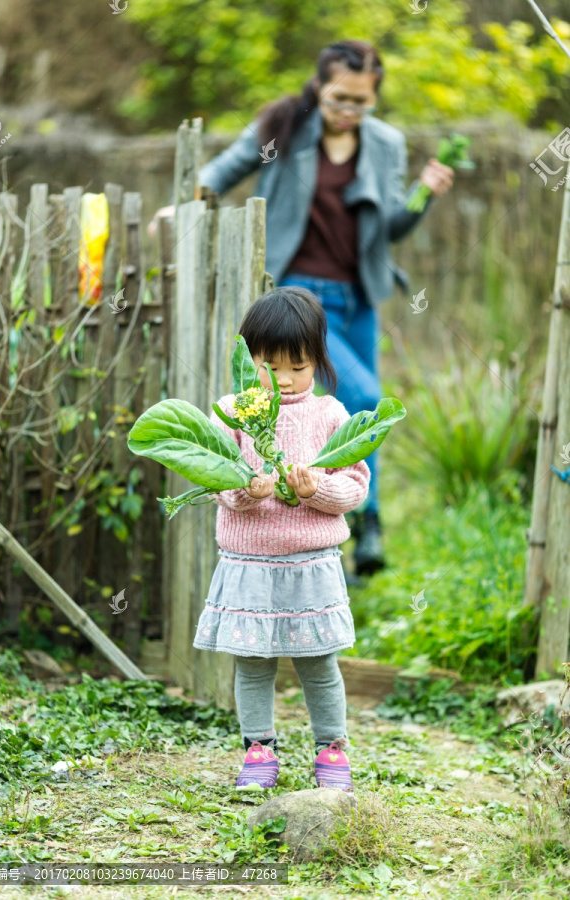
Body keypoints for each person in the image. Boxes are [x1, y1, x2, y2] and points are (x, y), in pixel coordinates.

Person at [150, 40, 454, 579]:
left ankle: (362, 523)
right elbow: (226, 169)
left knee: (360, 419)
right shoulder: (285, 126)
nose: (349, 111)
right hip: (303, 299)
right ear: (319, 86)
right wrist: (186, 202)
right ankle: (357, 516)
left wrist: (422, 195)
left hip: (357, 297)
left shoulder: (385, 143)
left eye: (362, 102)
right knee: (362, 397)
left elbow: (390, 228)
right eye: (340, 98)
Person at [192, 287, 370, 791]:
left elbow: (355, 484)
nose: (285, 380)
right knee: (253, 665)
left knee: (319, 664)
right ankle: (258, 751)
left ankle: (331, 752)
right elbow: (214, 480)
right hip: (249, 563)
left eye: (299, 366)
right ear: (249, 359)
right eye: (270, 365)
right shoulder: (231, 414)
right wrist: (244, 491)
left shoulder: (331, 416)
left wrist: (317, 490)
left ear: (318, 359)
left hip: (311, 563)